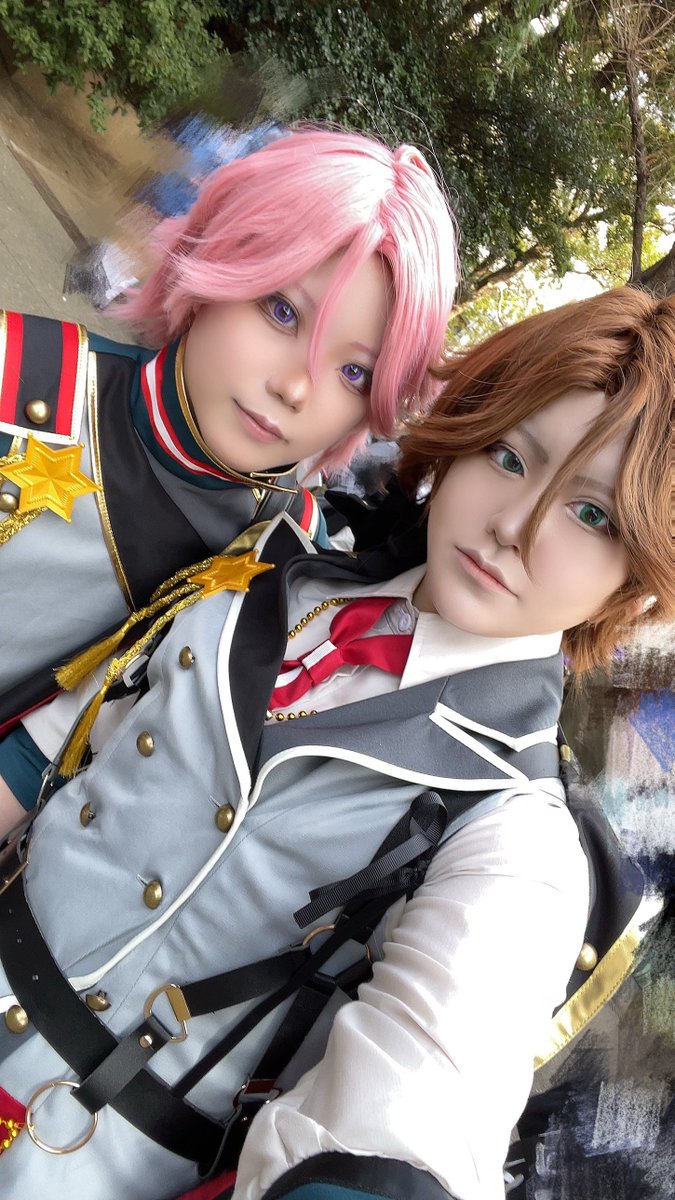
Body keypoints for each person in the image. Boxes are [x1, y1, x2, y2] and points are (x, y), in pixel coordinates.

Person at [0, 287, 671, 1200]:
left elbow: (419, 1109)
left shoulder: (515, 836)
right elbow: (62, 745)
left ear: (636, 588)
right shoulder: (275, 556)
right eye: (509, 456)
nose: (514, 525)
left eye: (591, 517)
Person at [0, 125, 457, 736]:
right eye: (282, 311)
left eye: (354, 373)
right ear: (220, 257)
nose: (295, 389)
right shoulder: (23, 378)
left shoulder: (295, 558)